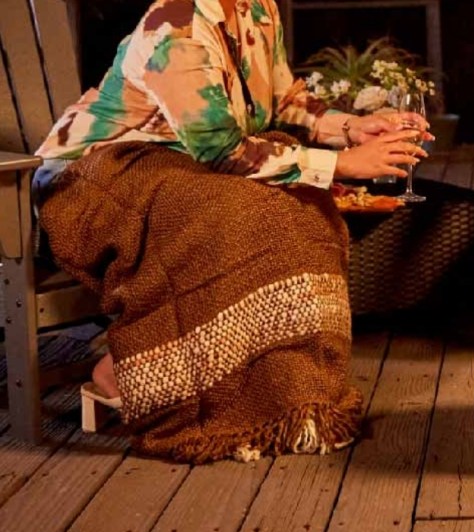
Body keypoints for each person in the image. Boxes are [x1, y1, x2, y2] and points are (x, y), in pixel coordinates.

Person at [34, 0, 428, 462]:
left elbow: (283, 100)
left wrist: (351, 127)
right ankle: (136, 374)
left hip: (179, 165)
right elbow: (220, 150)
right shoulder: (175, 25)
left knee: (300, 203)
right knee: (232, 211)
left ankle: (290, 397)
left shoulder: (257, 8)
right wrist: (342, 163)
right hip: (96, 177)